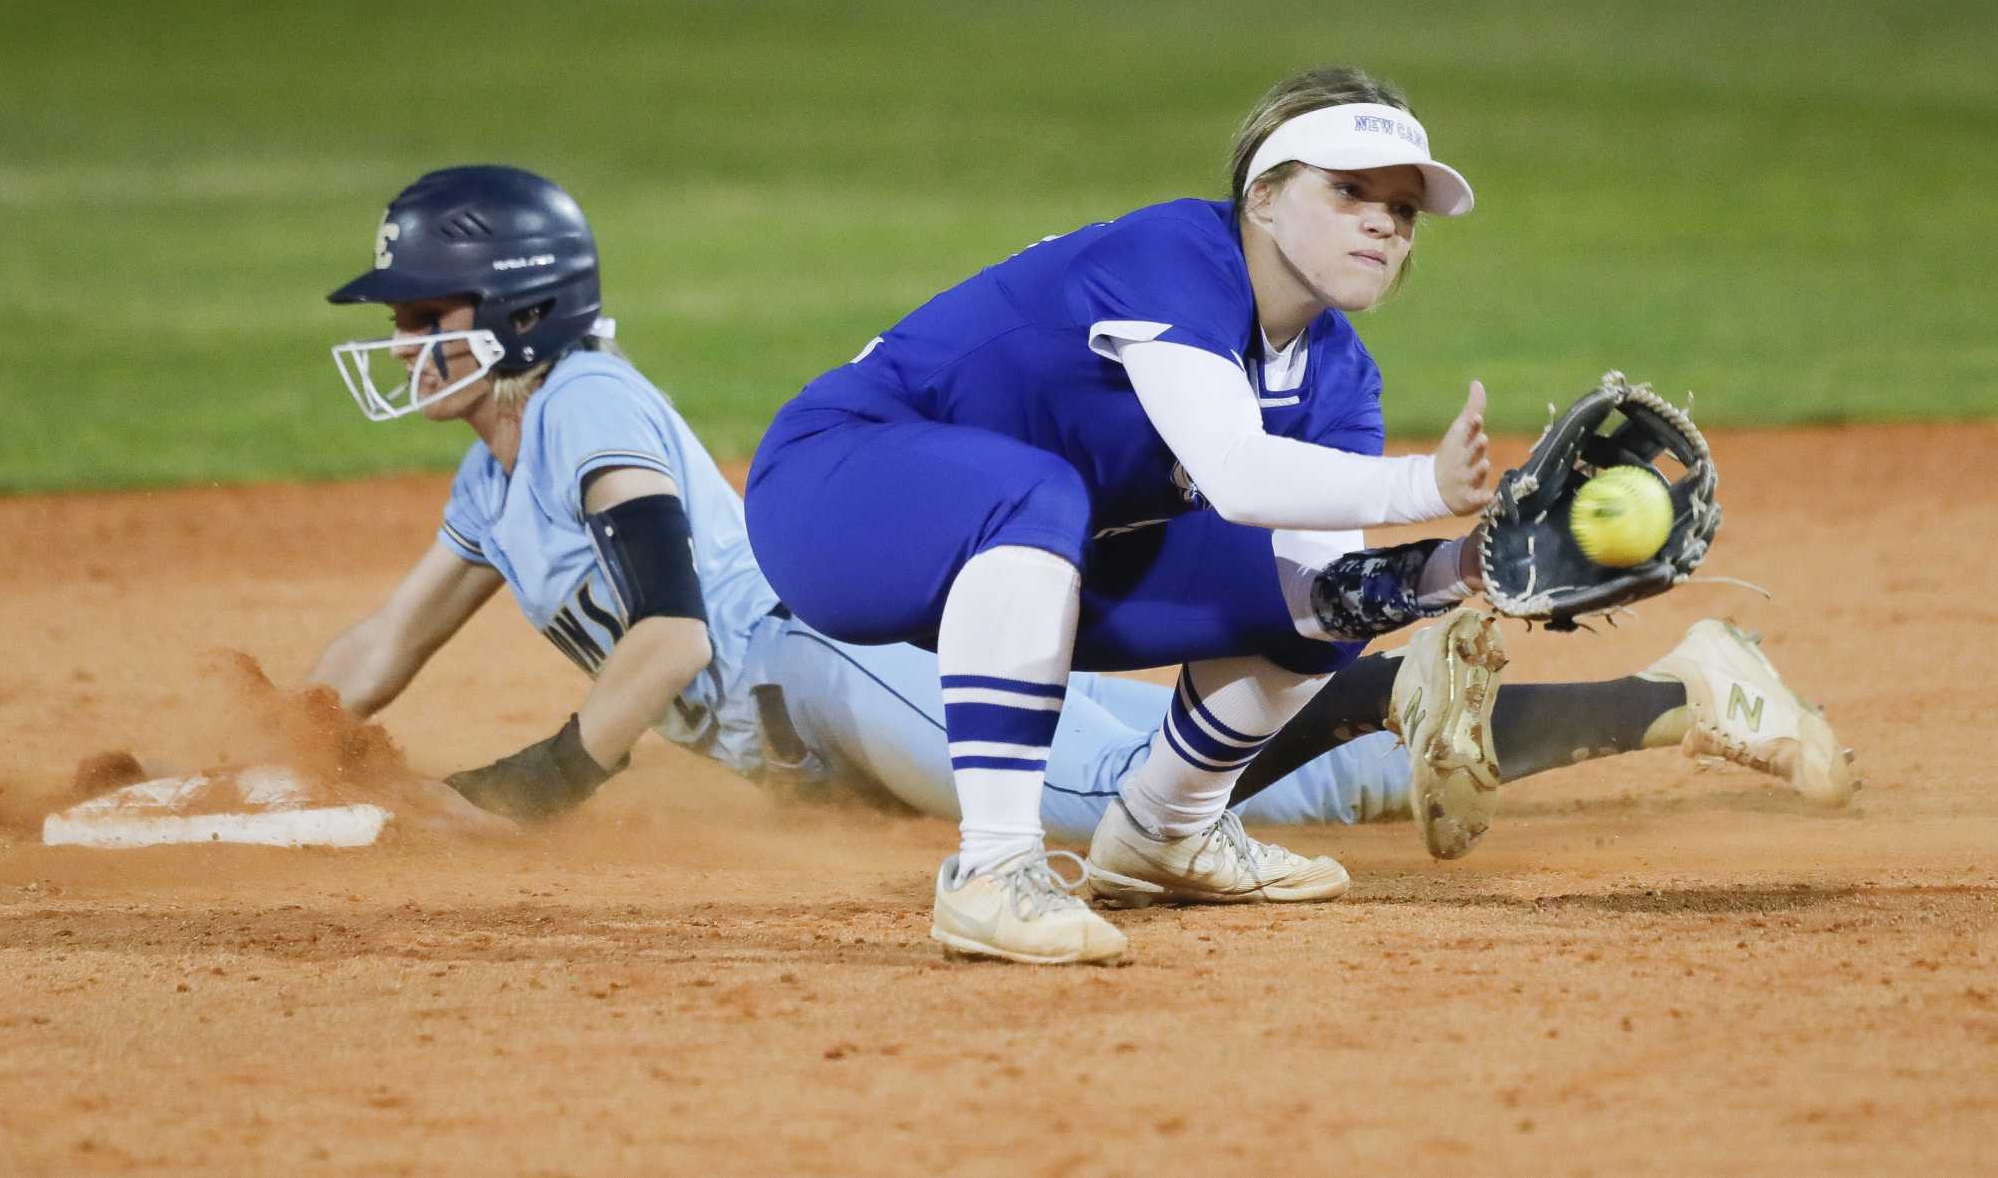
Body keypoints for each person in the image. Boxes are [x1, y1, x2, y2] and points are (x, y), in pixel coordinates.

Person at [308, 160, 1851, 967]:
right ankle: (1411, 681)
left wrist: (531, 787)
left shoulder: (582, 407)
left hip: (847, 671)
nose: (403, 340)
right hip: (826, 723)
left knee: (1236, 790)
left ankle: (1677, 689)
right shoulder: (489, 473)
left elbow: (665, 644)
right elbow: (381, 649)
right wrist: (269, 742)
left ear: (511, 308)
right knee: (1175, 759)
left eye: (421, 312)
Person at [742, 65, 1849, 966]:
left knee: (1313, 613)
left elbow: (1317, 594)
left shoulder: (1336, 377)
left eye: (1402, 210)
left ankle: (1163, 832)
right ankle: (988, 872)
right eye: (1349, 193)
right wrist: (1423, 489)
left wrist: (1463, 563)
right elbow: (1234, 475)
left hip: (1021, 553)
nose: (1383, 227)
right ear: (1261, 196)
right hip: (836, 492)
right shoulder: (1171, 255)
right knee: (1039, 493)